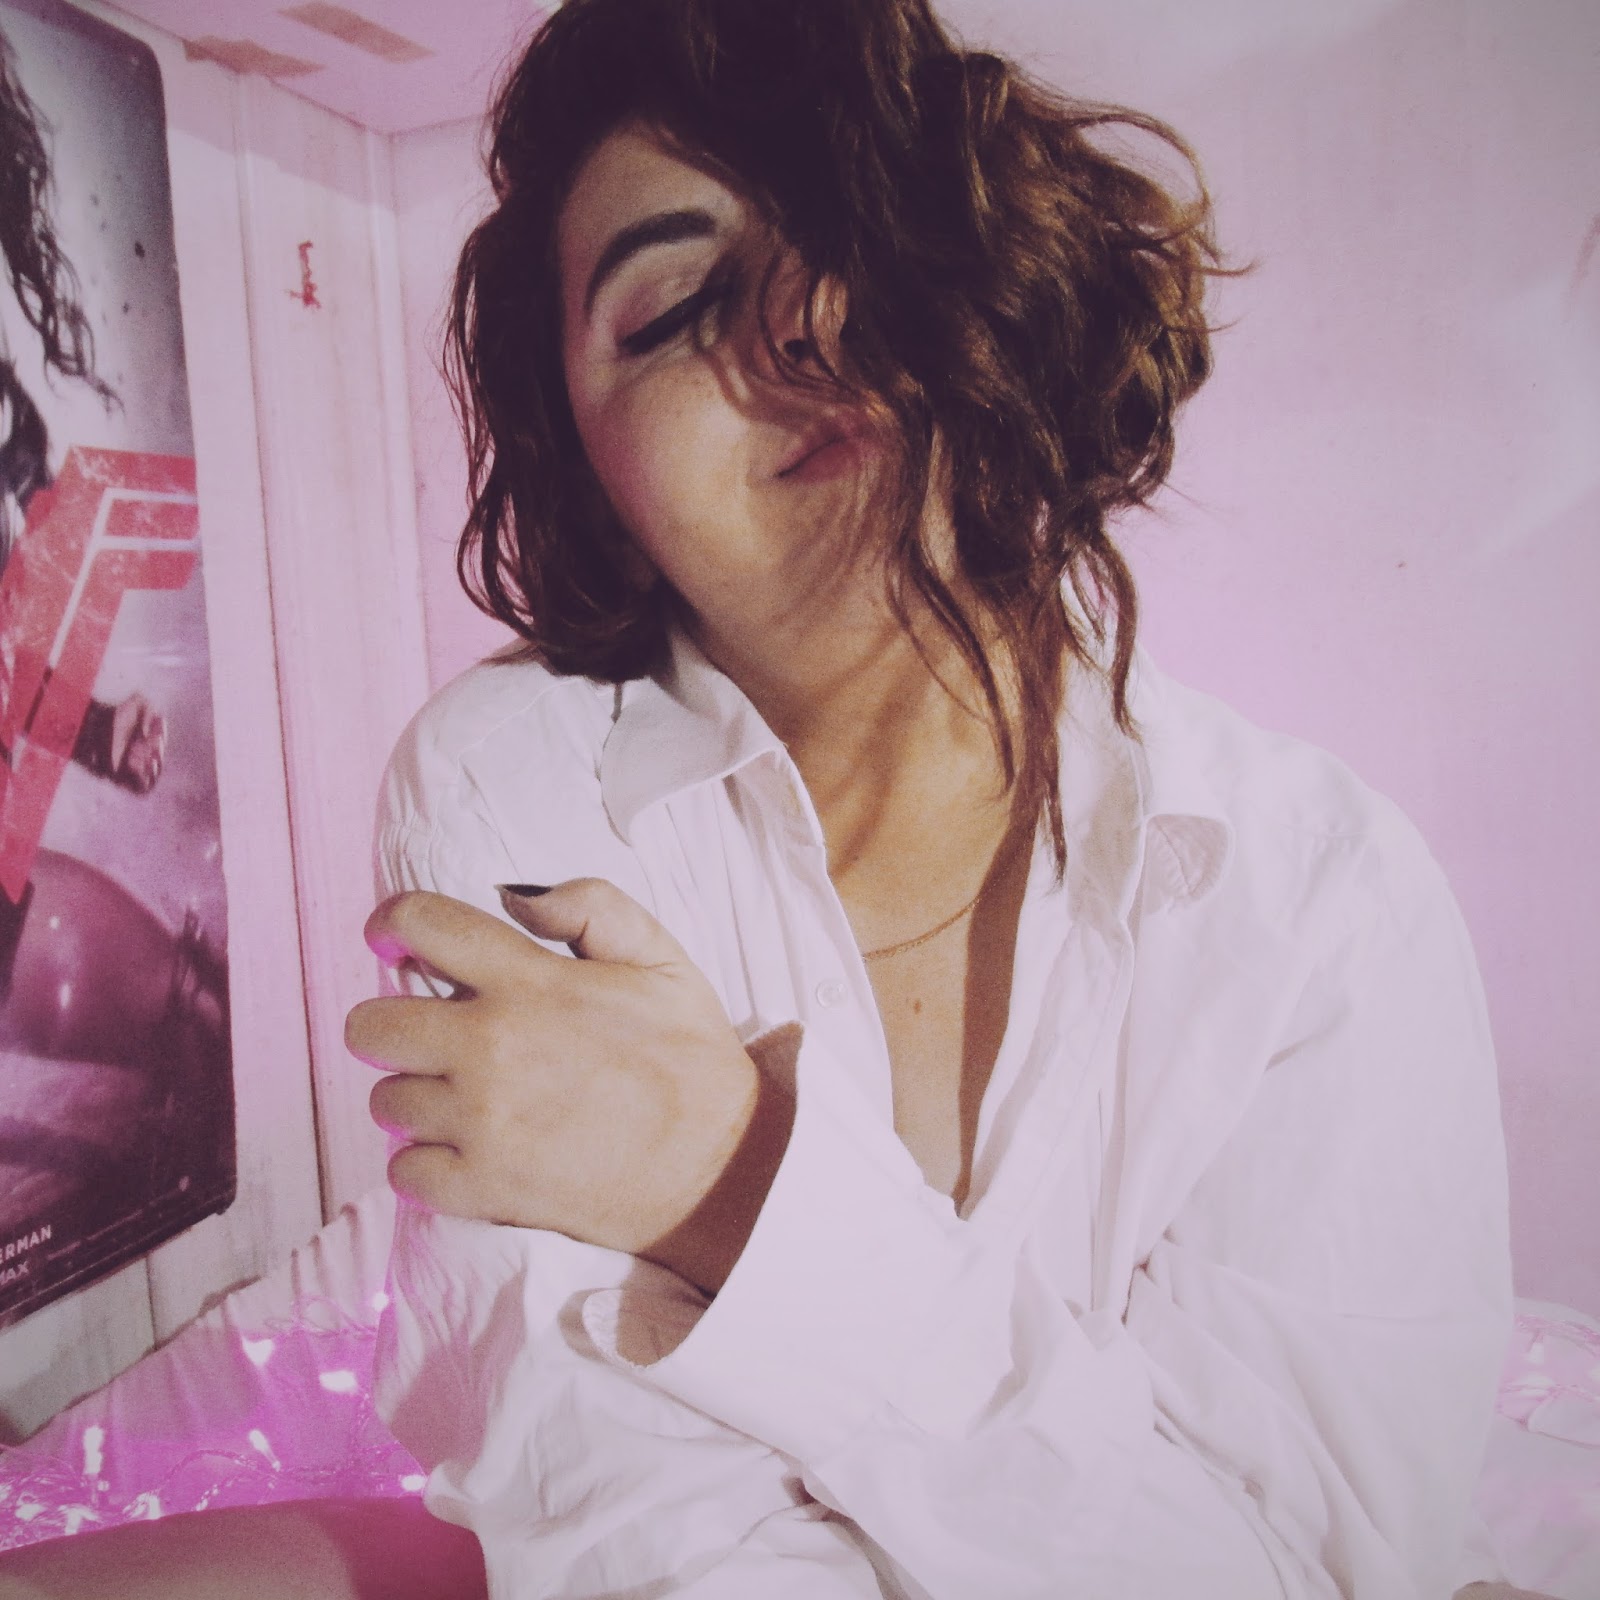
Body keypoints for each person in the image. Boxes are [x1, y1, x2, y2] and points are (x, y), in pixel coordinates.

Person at [0, 0, 1517, 1595]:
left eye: (861, 228)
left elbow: (1304, 1570)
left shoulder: (1323, 901)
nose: (804, 319)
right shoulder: (516, 781)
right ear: (591, 469)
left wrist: (733, 1181)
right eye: (670, 310)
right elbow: (637, 1542)